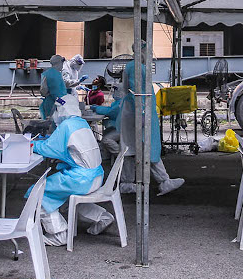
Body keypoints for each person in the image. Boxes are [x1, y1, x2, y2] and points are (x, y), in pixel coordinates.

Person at [27, 95, 114, 245]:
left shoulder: (66, 125)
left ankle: (58, 233)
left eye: (57, 109)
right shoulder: (81, 122)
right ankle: (103, 218)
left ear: (63, 109)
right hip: (96, 176)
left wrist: (30, 144)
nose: (55, 113)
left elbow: (49, 149)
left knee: (38, 192)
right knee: (66, 198)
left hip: (80, 180)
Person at [118, 41, 184, 196]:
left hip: (135, 112)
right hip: (137, 113)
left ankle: (129, 183)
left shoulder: (134, 66)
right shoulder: (136, 67)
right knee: (145, 147)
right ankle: (161, 181)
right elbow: (135, 91)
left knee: (134, 148)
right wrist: (141, 113)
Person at [92, 81, 122, 160]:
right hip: (121, 126)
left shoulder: (122, 102)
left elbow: (110, 111)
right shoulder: (119, 101)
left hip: (124, 129)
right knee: (106, 132)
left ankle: (121, 157)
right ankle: (105, 157)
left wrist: (97, 108)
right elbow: (110, 109)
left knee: (107, 139)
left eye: (115, 90)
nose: (114, 92)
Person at [40, 55, 68, 120]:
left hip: (54, 102)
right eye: (62, 63)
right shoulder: (53, 75)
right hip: (53, 103)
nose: (62, 65)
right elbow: (55, 93)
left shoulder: (50, 73)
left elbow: (43, 91)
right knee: (53, 122)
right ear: (58, 63)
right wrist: (62, 102)